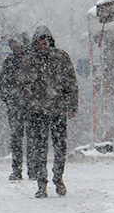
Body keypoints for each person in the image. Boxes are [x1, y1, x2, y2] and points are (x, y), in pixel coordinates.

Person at [19, 26, 78, 198]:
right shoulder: (29, 60)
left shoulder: (61, 57)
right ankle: (41, 182)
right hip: (38, 112)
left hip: (57, 109)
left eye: (45, 42)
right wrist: (31, 102)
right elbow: (22, 85)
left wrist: (72, 106)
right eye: (40, 42)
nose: (43, 45)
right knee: (40, 148)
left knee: (60, 146)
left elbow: (71, 83)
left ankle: (58, 178)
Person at [0, 33, 31, 181]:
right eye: (16, 45)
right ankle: (17, 169)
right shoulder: (9, 62)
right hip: (15, 107)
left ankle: (33, 169)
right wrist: (8, 98)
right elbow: (3, 83)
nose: (18, 48)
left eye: (20, 45)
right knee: (16, 139)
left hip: (30, 106)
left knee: (33, 138)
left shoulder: (32, 61)